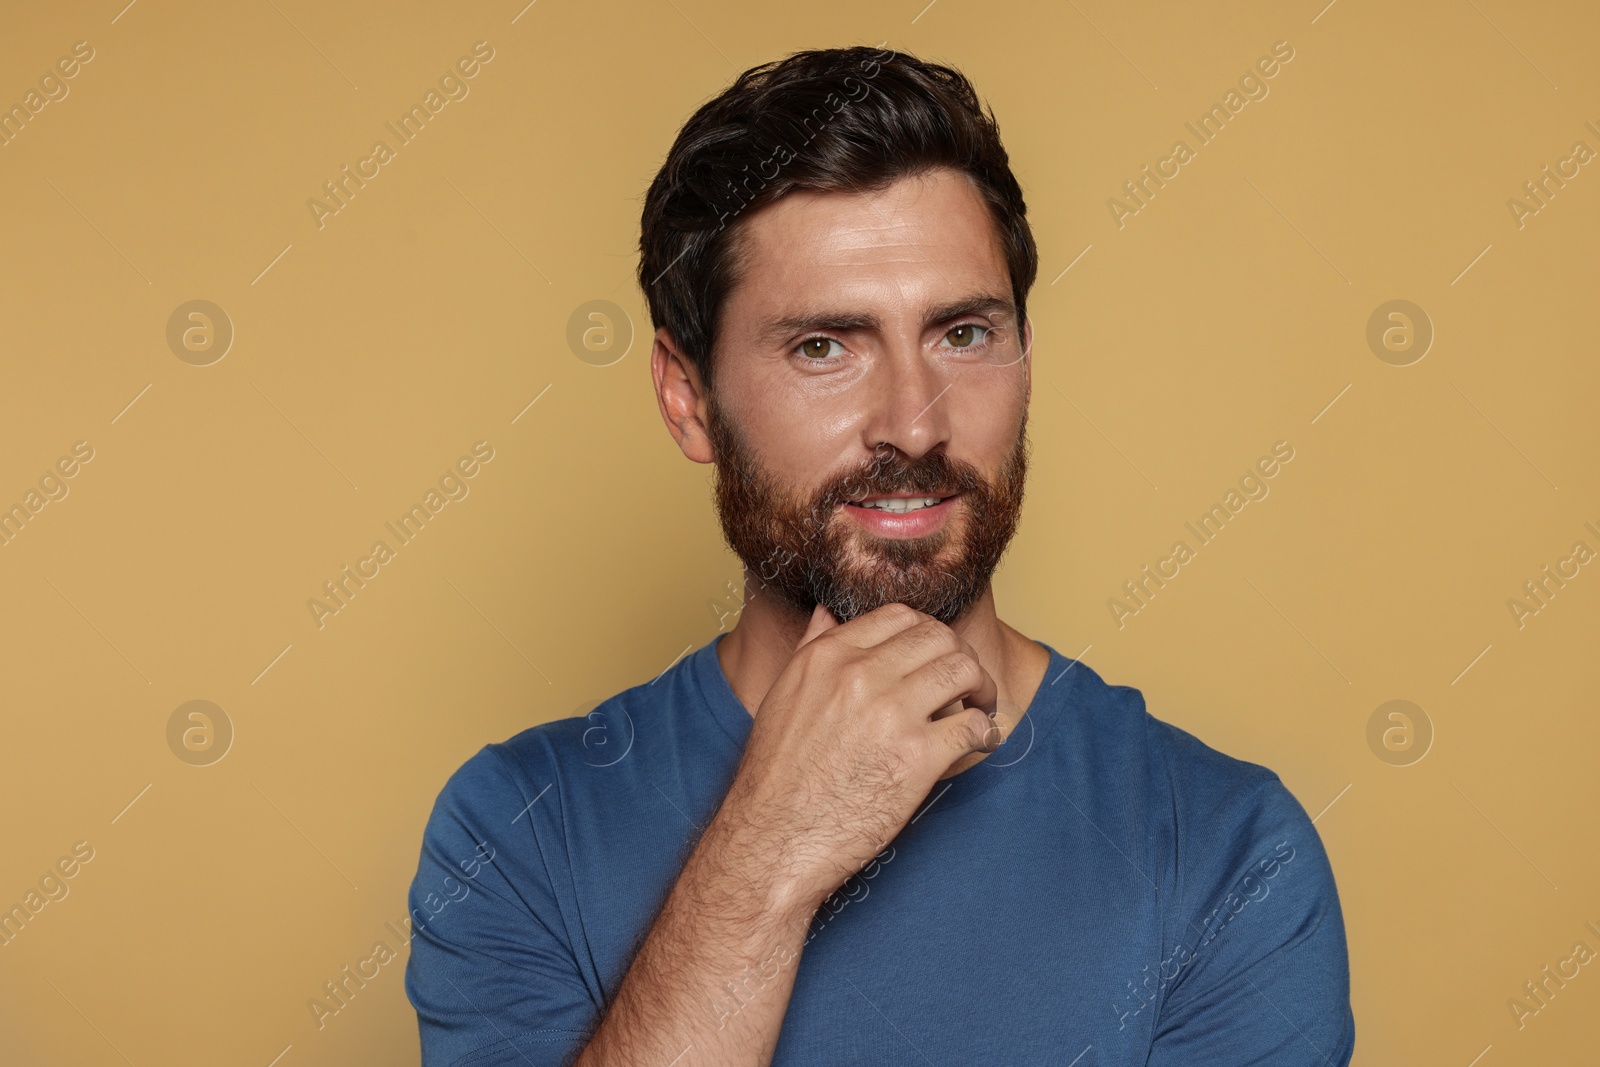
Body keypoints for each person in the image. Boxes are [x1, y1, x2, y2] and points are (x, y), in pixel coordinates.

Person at [404, 44, 1355, 1066]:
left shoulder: (1225, 848)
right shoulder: (518, 831)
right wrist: (764, 857)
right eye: (824, 345)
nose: (914, 420)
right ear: (689, 399)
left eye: (962, 334)